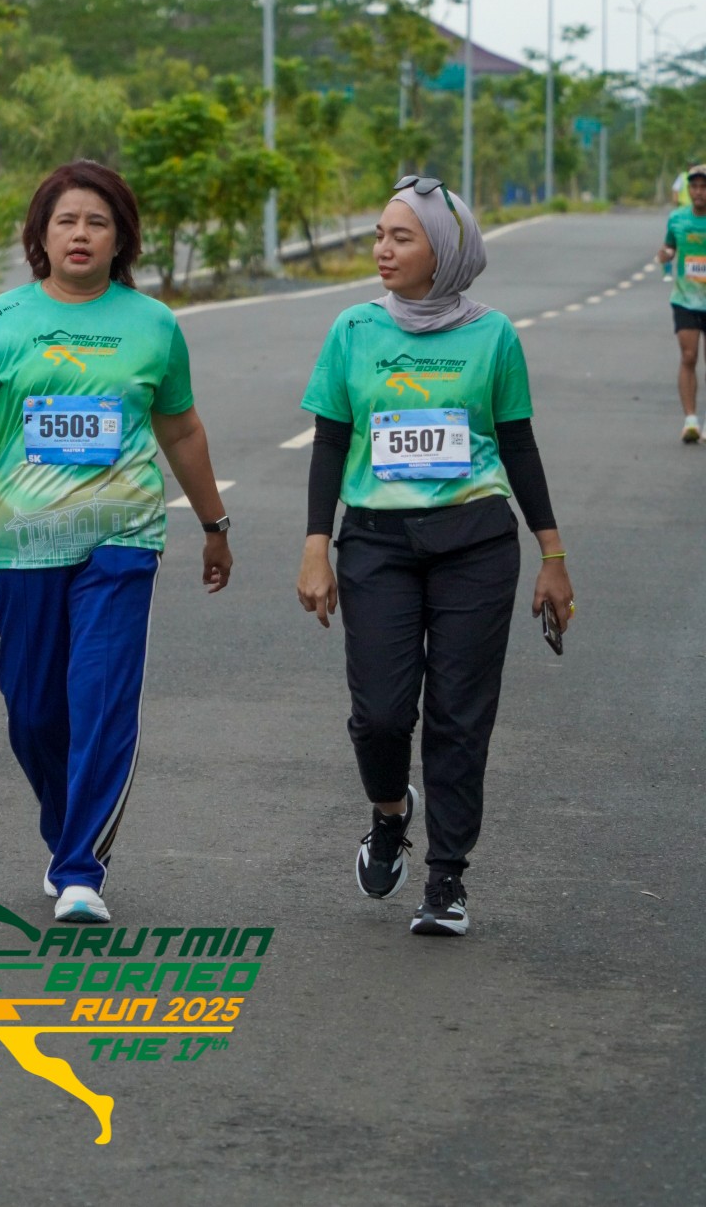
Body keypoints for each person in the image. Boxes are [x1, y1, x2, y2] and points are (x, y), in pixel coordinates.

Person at [0, 161, 232, 925]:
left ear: (121, 239)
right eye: (66, 221)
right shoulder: (2, 320)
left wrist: (214, 525)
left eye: (97, 222)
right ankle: (67, 829)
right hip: (24, 543)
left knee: (100, 696)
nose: (81, 234)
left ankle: (83, 866)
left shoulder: (153, 325)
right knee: (33, 712)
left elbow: (182, 429)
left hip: (122, 538)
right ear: (41, 235)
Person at [296, 175, 574, 938]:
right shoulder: (354, 329)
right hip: (376, 544)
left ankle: (447, 877)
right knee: (381, 716)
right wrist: (316, 544)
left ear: (444, 251)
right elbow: (330, 440)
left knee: (459, 717)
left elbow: (517, 444)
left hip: (475, 542)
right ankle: (391, 813)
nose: (382, 250)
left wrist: (552, 553)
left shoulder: (494, 335)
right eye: (379, 236)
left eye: (401, 237)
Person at [656, 163, 706, 442]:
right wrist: (665, 254)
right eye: (695, 187)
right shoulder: (677, 219)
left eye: (704, 187)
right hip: (685, 299)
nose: (699, 192)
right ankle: (690, 420)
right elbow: (670, 246)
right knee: (689, 356)